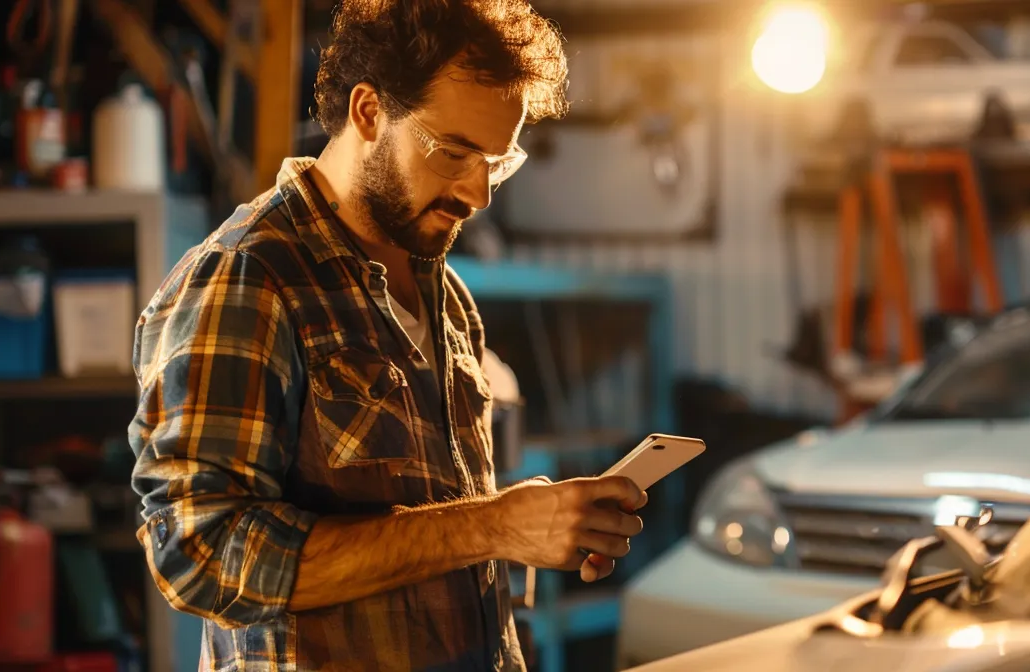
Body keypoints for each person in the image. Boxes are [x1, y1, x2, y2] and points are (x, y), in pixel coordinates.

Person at [126, 1, 645, 669]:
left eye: (497, 160)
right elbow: (198, 555)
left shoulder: (446, 295)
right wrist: (494, 525)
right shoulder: (249, 279)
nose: (478, 192)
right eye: (454, 151)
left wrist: (530, 533)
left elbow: (446, 538)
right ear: (369, 112)